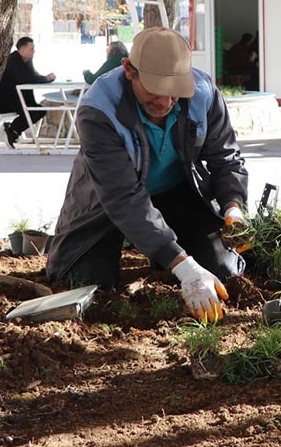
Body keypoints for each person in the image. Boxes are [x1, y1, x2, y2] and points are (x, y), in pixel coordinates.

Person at [45, 27, 248, 323]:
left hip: (177, 192)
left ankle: (160, 251)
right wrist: (184, 268)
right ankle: (158, 249)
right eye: (155, 89)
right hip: (104, 204)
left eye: (174, 91)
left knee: (223, 270)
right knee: (89, 283)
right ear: (129, 69)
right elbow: (124, 197)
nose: (166, 103)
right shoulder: (98, 109)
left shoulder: (203, 93)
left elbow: (225, 157)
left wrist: (233, 206)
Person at [0, 36, 56, 148]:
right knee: (31, 112)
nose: (34, 51)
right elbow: (25, 79)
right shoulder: (13, 61)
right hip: (6, 100)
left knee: (40, 110)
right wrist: (45, 79)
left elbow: (33, 75)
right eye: (31, 49)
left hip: (20, 98)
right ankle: (12, 131)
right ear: (22, 50)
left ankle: (13, 129)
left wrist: (46, 78)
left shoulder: (27, 61)